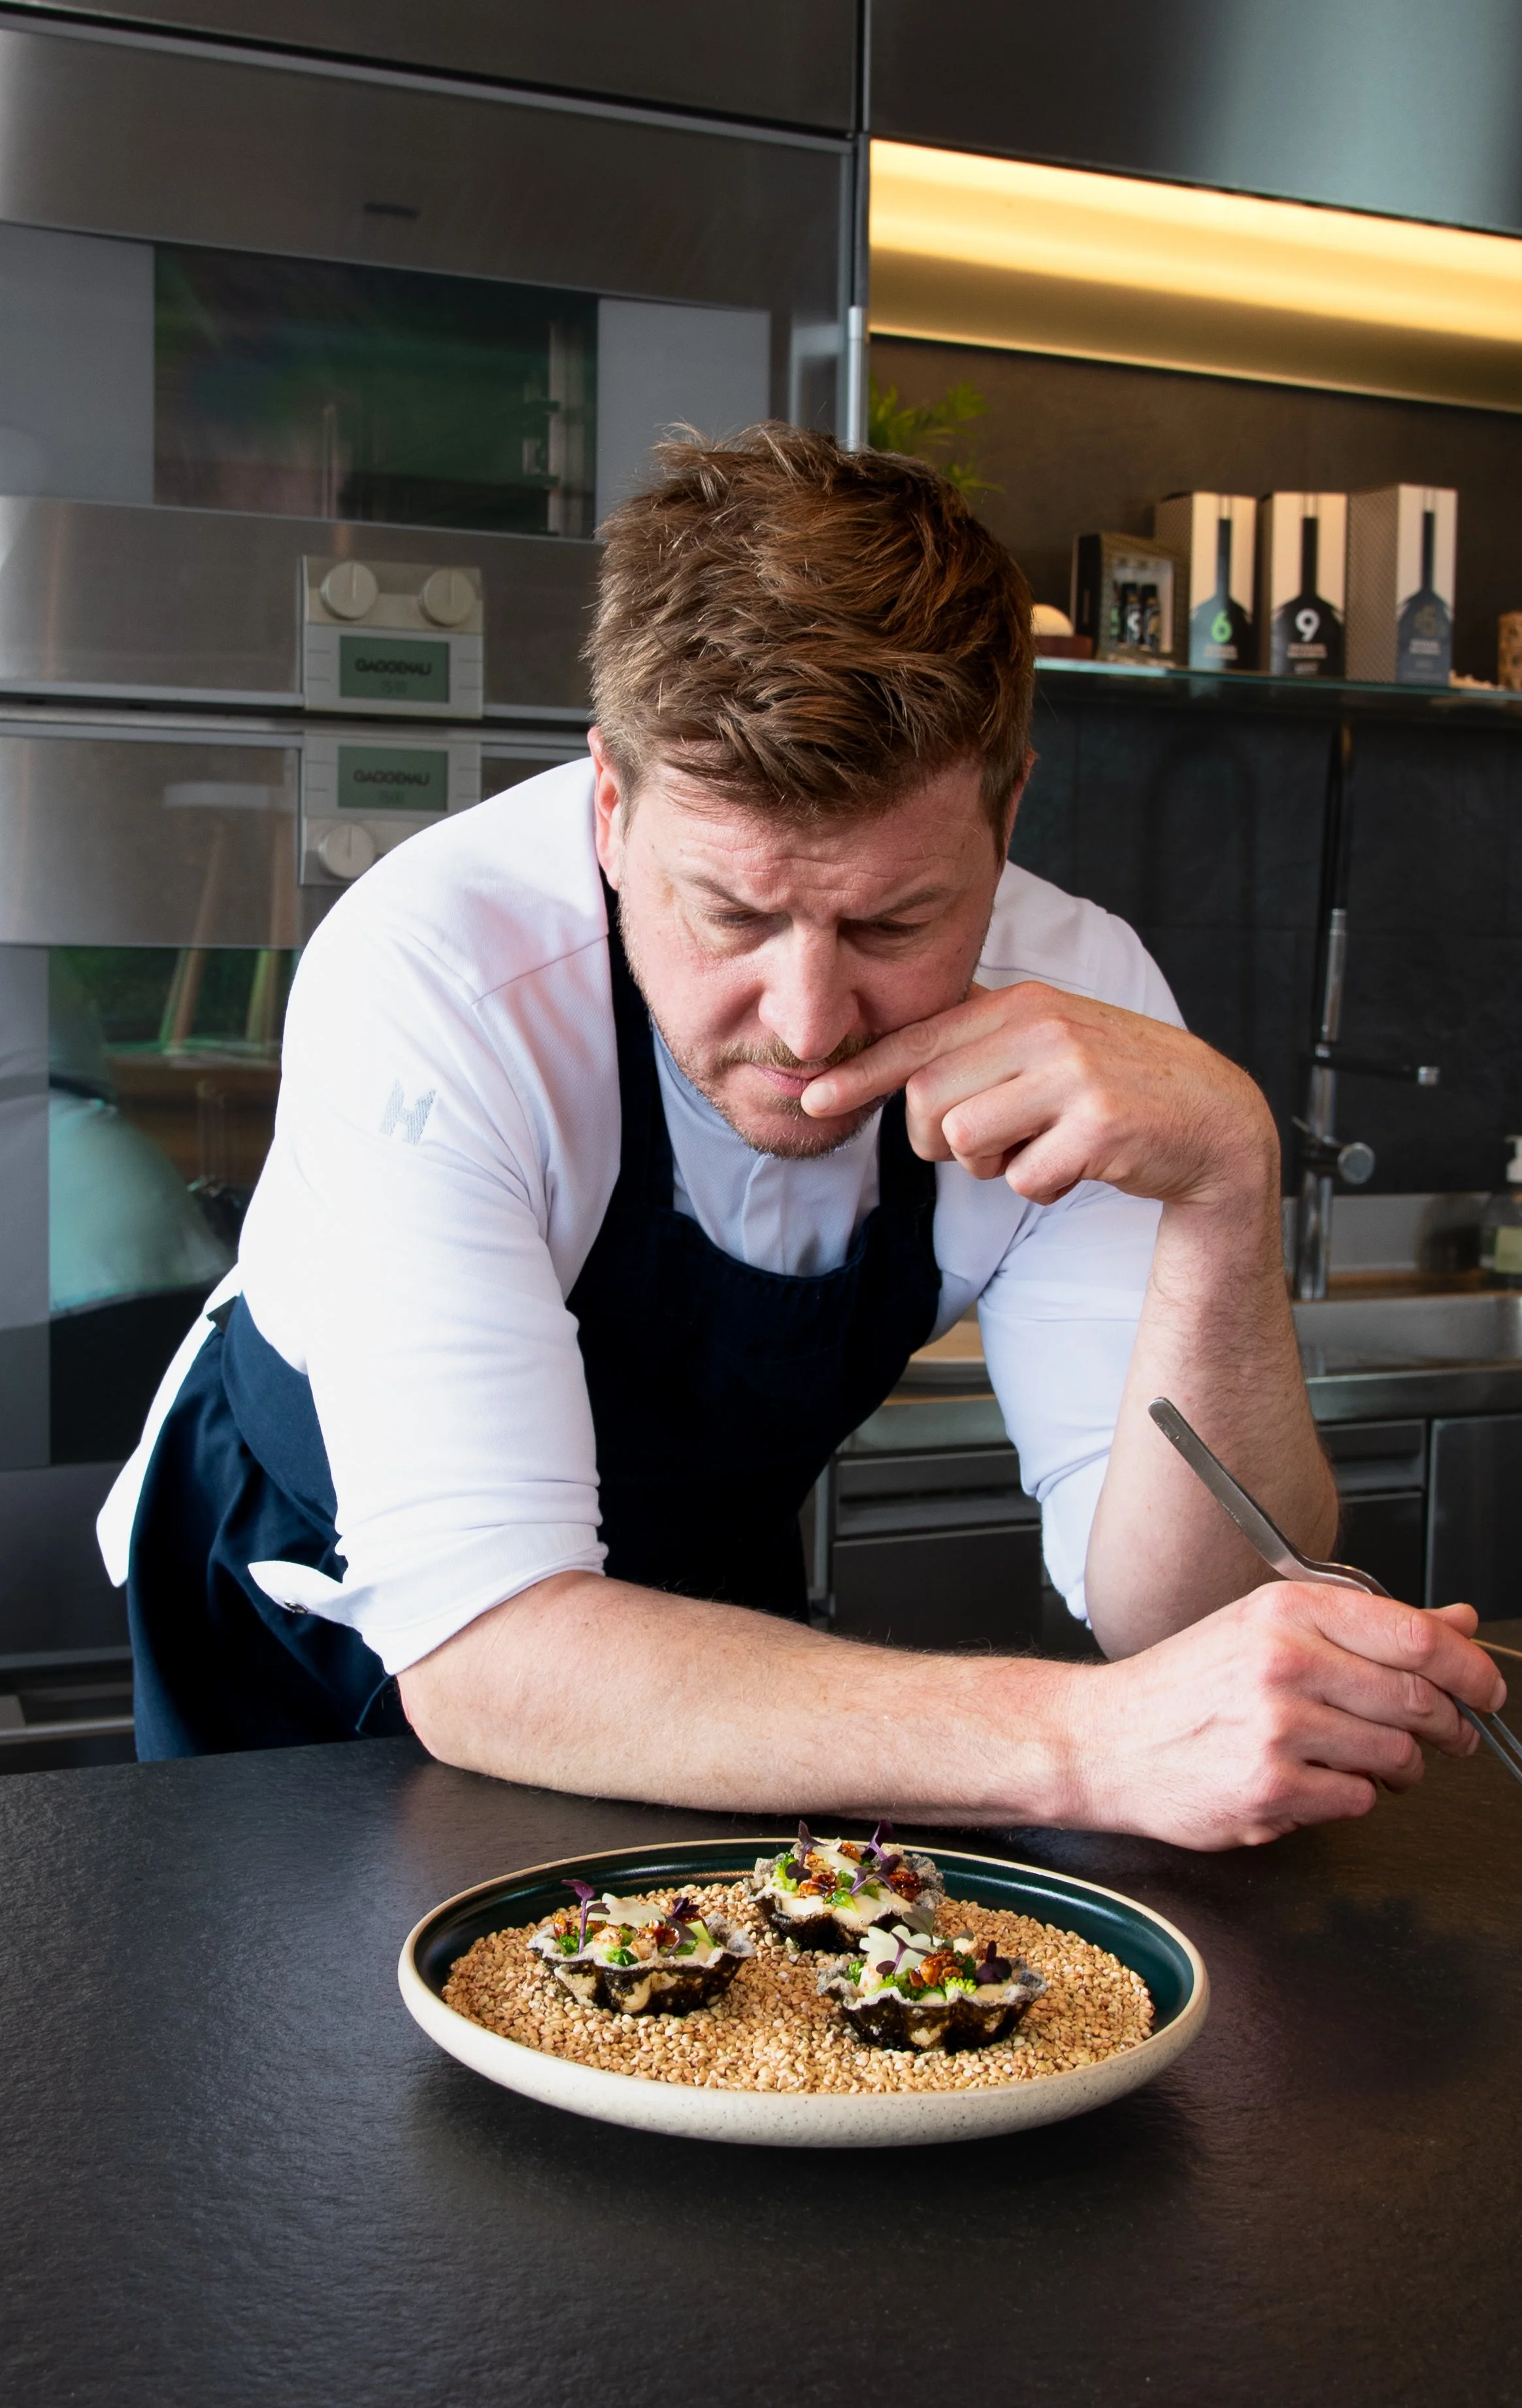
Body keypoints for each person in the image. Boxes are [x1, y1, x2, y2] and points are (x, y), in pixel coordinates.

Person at [99, 427, 1504, 1847]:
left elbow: (1187, 1610)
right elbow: (491, 1652)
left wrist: (1225, 1182)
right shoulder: (441, 977)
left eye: (895, 923)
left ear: (1008, 814)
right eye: (734, 916)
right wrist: (1082, 1742)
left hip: (686, 1641)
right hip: (304, 1629)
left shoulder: (1082, 1003)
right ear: (610, 806)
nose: (811, 1019)